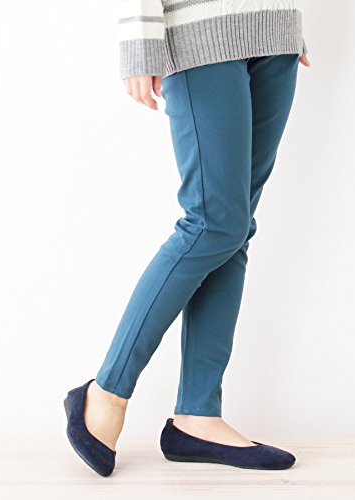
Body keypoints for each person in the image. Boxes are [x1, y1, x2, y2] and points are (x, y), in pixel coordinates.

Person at [64, 0, 310, 476]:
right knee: (211, 223)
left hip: (275, 29)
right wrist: (140, 40)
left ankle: (198, 415)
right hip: (199, 29)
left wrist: (287, 22)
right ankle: (106, 391)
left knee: (233, 228)